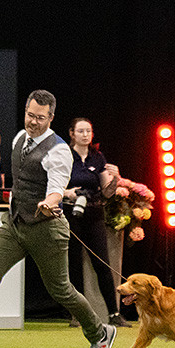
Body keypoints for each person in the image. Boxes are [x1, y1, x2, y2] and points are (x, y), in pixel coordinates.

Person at [0, 90, 116, 348]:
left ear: (51, 118)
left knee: (61, 290)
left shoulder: (58, 150)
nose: (33, 122)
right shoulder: (19, 138)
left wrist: (50, 200)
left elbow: (57, 186)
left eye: (40, 118)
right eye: (29, 115)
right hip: (15, 224)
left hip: (47, 229)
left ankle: (100, 332)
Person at [61, 117, 129, 327]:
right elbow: (53, 186)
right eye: (80, 131)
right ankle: (77, 315)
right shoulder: (63, 155)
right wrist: (69, 193)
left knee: (102, 264)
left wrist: (115, 177)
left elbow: (107, 192)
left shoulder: (97, 157)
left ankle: (113, 314)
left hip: (94, 213)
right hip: (71, 213)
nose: (85, 135)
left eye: (88, 131)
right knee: (74, 265)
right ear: (72, 133)